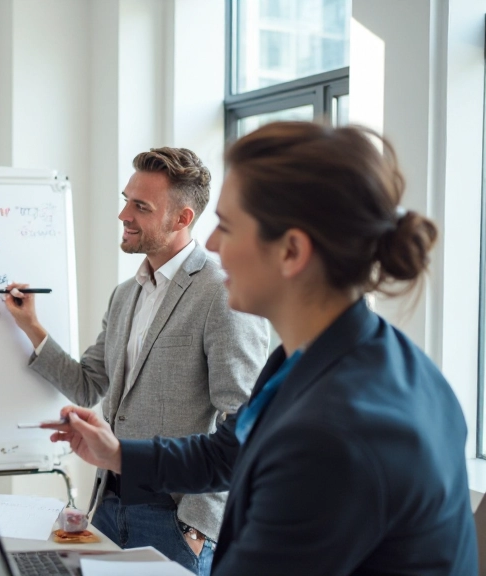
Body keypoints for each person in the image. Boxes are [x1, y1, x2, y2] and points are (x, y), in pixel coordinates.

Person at [44, 122, 477, 575]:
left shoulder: (337, 431)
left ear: (291, 251)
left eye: (227, 227)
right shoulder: (310, 359)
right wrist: (117, 454)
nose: (211, 244)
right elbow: (228, 453)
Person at [3, 147, 268, 575]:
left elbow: (247, 421)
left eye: (141, 206)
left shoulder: (221, 293)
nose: (124, 214)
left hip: (176, 520)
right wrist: (32, 326)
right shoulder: (126, 293)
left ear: (182, 218)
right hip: (110, 506)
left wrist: (199, 525)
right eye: (126, 199)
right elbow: (89, 384)